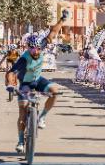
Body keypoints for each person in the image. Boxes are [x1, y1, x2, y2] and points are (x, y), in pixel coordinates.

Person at [5, 10, 68, 153]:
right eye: (32, 49)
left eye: (38, 49)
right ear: (28, 48)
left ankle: (42, 118)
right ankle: (21, 141)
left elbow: (53, 33)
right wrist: (10, 85)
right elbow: (11, 73)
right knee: (22, 110)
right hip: (26, 84)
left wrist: (62, 20)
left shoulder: (42, 45)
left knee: (54, 92)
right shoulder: (23, 59)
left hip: (38, 80)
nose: (35, 52)